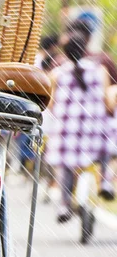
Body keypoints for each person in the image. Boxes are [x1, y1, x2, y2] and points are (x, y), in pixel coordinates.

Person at [46, 34, 113, 222]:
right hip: (94, 131)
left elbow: (51, 104)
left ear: (65, 52)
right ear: (85, 48)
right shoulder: (100, 71)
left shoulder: (57, 74)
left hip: (67, 133)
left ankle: (64, 204)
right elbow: (107, 102)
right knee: (107, 139)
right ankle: (106, 182)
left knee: (65, 166)